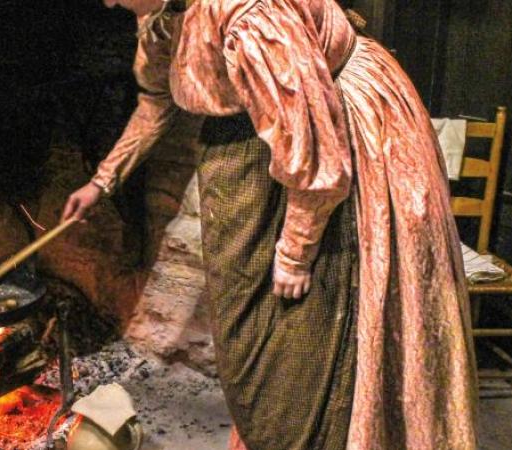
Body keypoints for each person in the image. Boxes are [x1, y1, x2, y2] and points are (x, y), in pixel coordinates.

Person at [61, 0, 477, 448]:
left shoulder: (249, 15)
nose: (107, 2)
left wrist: (295, 252)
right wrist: (103, 182)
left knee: (319, 301)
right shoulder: (164, 13)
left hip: (344, 128)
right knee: (246, 320)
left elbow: (315, 160)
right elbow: (156, 101)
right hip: (273, 133)